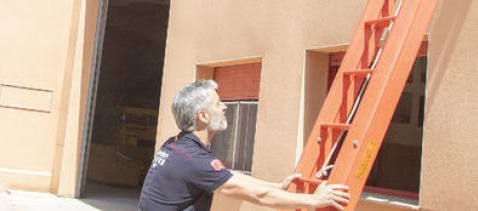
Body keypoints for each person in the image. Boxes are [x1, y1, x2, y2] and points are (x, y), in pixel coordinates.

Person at [138, 80, 350, 211]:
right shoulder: (194, 161)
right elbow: (258, 197)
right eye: (218, 103)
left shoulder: (176, 146)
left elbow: (226, 175)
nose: (225, 107)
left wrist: (273, 186)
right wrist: (314, 200)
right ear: (203, 116)